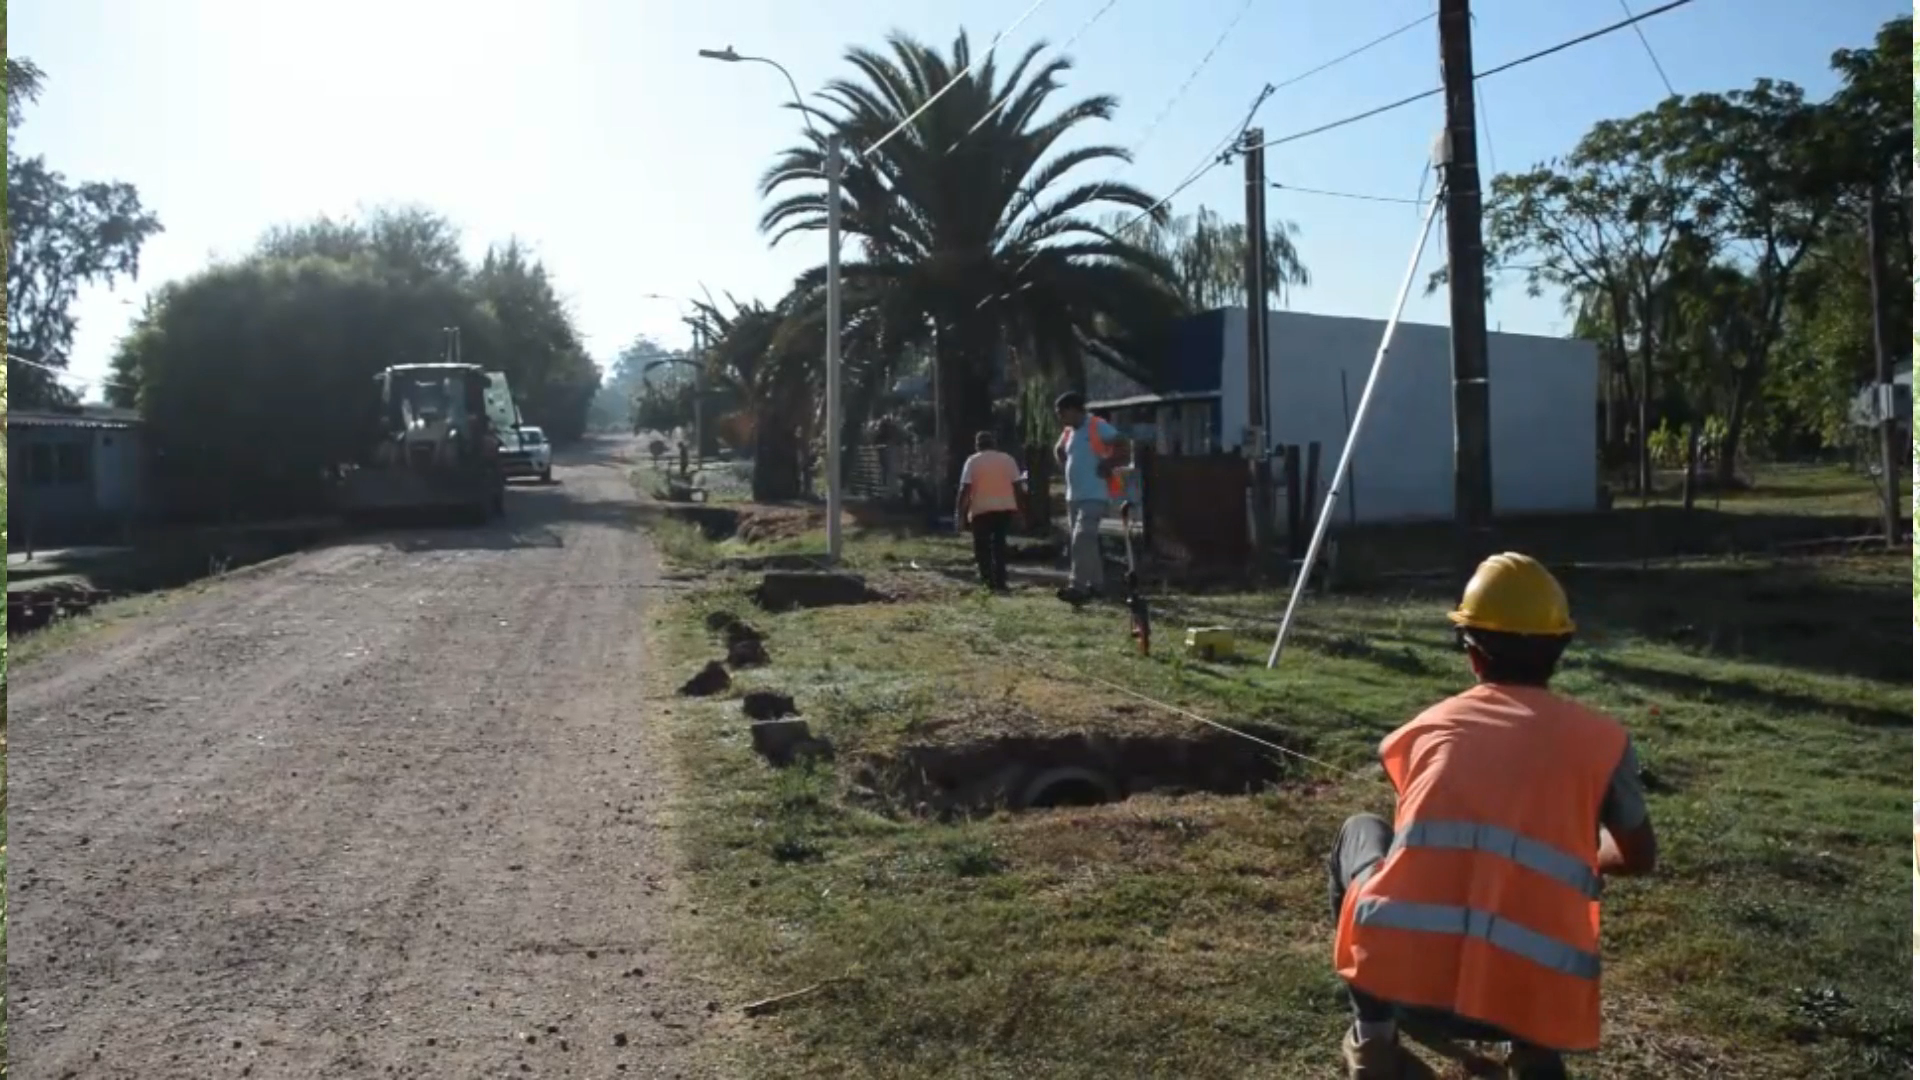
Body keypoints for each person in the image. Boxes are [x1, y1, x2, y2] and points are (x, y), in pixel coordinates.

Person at [1329, 552, 1658, 1080]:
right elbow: (1640, 857)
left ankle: (1374, 1044)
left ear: (1472, 653)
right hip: (1531, 997)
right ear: (1559, 650)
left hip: (1410, 986)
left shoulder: (1428, 729)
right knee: (1536, 907)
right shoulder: (1603, 745)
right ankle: (1534, 1056)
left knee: (1362, 830)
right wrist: (1575, 855)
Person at [1051, 392, 1125, 604]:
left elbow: (1122, 443)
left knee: (1081, 538)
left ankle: (1078, 587)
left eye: (1062, 413)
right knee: (1088, 544)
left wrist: (1109, 464)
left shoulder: (1096, 425)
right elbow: (1059, 449)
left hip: (1095, 494)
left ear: (1074, 410)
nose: (1060, 418)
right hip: (1073, 496)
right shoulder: (1069, 432)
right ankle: (1097, 586)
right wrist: (1063, 461)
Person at [955, 431, 1021, 592]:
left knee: (982, 547)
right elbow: (1017, 487)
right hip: (1004, 508)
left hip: (981, 509)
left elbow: (965, 489)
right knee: (999, 545)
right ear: (994, 444)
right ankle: (1001, 581)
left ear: (977, 445)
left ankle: (987, 580)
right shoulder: (1007, 459)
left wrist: (960, 513)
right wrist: (1020, 510)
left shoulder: (973, 461)